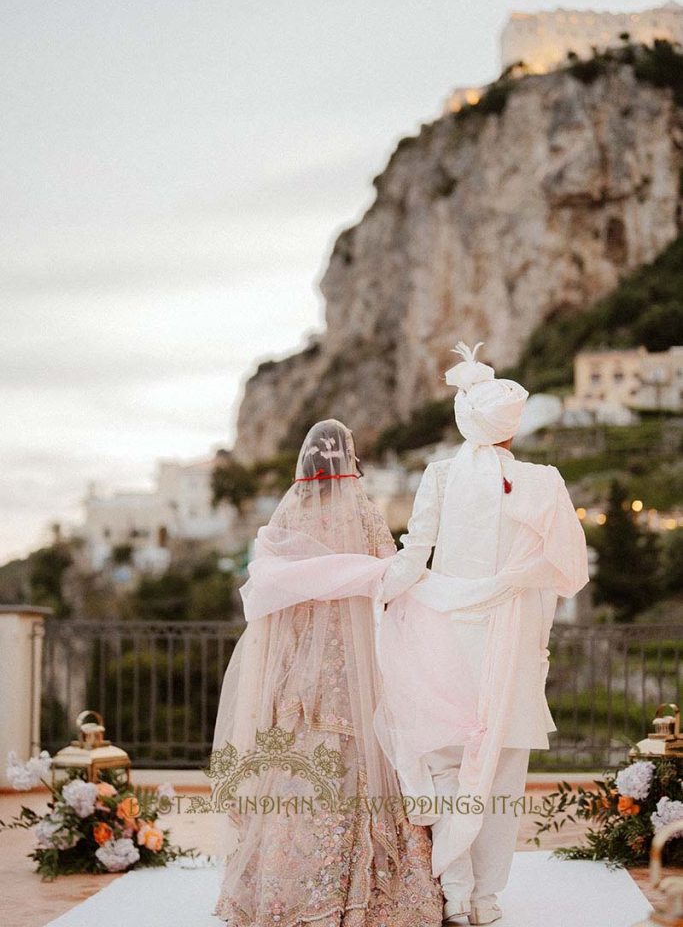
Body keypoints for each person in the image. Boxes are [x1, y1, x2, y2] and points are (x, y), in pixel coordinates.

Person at [375, 342, 589, 926]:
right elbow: (569, 571)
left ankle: (455, 891)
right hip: (513, 642)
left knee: (447, 764)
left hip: (443, 635)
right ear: (513, 427)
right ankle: (487, 899)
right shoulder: (543, 481)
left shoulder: (441, 476)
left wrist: (372, 588)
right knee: (501, 776)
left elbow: (414, 555)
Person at [212, 418, 443, 927]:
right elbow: (391, 574)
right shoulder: (362, 512)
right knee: (364, 756)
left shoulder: (288, 516)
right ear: (348, 459)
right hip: (355, 665)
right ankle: (366, 888)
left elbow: (267, 589)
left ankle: (283, 886)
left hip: (298, 669)